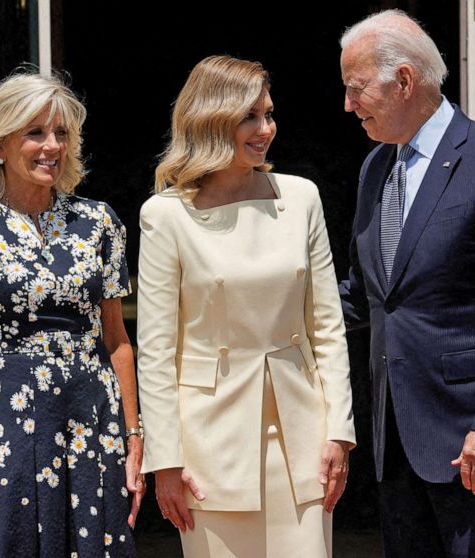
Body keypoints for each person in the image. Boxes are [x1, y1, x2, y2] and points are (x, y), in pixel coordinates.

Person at [337, 10, 475, 557]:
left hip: (474, 445)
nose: (348, 104)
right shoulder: (375, 168)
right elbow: (363, 296)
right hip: (398, 440)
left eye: (356, 88)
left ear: (405, 80)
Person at [137, 55, 356, 557]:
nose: (266, 129)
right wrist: (165, 460)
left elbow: (327, 327)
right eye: (249, 117)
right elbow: (154, 349)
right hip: (207, 450)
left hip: (305, 442)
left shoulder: (302, 198)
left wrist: (340, 433)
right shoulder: (165, 215)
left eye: (269, 114)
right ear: (212, 120)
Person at [0, 71, 143, 557]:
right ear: (1, 143)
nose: (51, 146)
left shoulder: (99, 222)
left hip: (91, 421)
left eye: (61, 134)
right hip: (4, 424)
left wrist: (134, 436)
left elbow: (117, 340)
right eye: (35, 133)